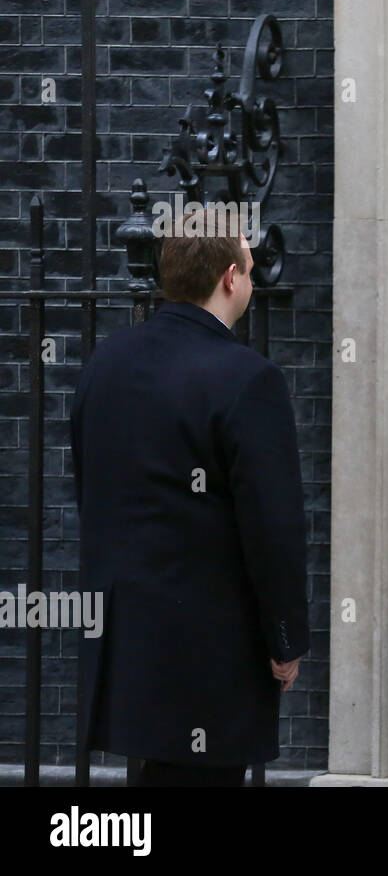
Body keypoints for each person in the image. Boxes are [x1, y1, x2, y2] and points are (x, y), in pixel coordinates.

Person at [71, 209, 309, 787]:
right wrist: (285, 640)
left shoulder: (106, 364)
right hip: (210, 648)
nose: (251, 283)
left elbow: (89, 484)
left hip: (126, 633)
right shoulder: (249, 379)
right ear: (230, 277)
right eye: (250, 270)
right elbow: (272, 528)